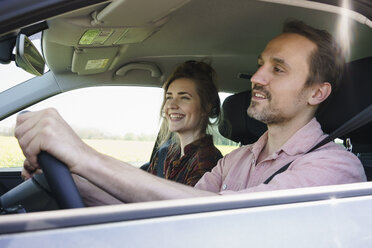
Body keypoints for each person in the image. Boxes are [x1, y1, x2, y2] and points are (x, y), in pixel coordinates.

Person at [16, 20, 366, 205]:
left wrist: (84, 156)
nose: (256, 78)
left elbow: (231, 217)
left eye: (278, 69)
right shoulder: (237, 159)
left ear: (316, 92)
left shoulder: (334, 167)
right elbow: (178, 210)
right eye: (260, 65)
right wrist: (71, 179)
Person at [145, 60, 223, 186]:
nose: (171, 105)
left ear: (206, 108)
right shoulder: (165, 154)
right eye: (169, 97)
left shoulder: (208, 160)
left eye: (184, 98)